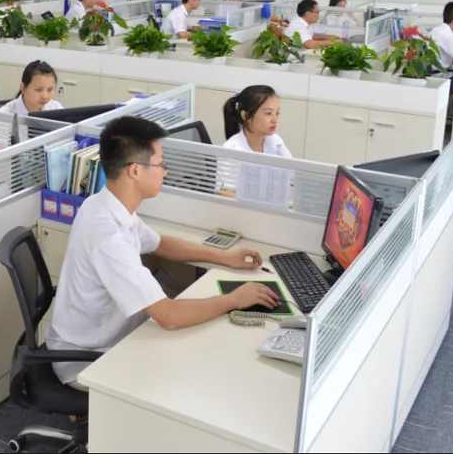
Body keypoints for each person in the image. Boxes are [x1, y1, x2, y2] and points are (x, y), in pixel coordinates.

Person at [45, 116, 279, 387]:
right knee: (195, 374)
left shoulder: (105, 204)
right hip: (88, 358)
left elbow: (160, 244)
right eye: (160, 164)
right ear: (135, 170)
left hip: (116, 335)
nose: (164, 172)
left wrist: (224, 257)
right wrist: (235, 299)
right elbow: (169, 316)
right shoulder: (107, 235)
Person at [222, 85, 292, 156]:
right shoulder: (230, 149)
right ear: (246, 116)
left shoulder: (276, 142)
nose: (275, 120)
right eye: (268, 113)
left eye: (277, 113)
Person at [0, 61, 64, 115]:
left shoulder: (56, 108)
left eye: (50, 90)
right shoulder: (5, 114)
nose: (45, 96)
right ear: (23, 88)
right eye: (39, 90)